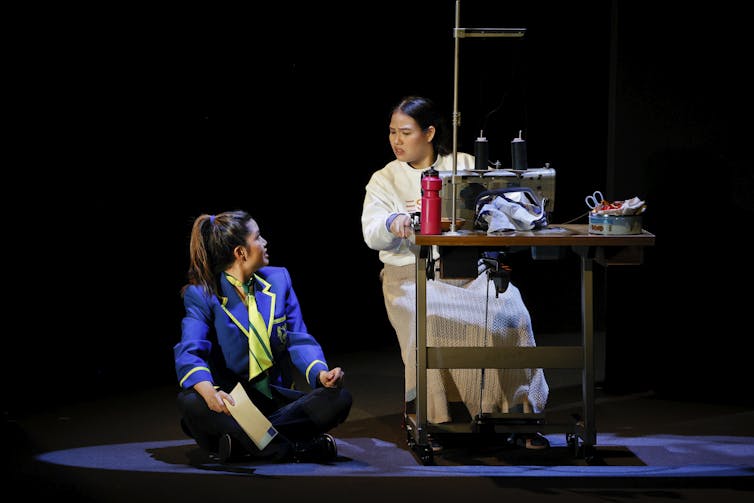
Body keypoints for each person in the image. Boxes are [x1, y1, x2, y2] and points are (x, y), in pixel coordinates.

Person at [361, 96, 549, 449]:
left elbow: (502, 204)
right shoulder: (384, 179)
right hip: (410, 275)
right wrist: (394, 220)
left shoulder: (462, 165)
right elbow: (371, 230)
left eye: (405, 132)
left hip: (468, 271)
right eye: (391, 132)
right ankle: (434, 420)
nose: (396, 141)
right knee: (429, 318)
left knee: (511, 313)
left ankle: (520, 414)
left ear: (429, 132)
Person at [174, 210, 352, 463]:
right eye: (258, 237)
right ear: (241, 252)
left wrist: (321, 374)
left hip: (273, 399)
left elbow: (298, 337)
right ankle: (294, 447)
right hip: (234, 403)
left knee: (339, 397)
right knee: (191, 400)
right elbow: (189, 352)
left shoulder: (279, 279)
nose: (265, 243)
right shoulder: (202, 295)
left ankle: (241, 444)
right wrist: (210, 394)